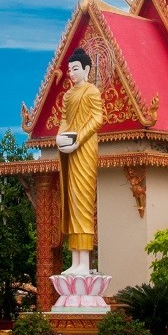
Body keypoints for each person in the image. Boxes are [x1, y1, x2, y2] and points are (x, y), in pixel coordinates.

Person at [54, 48, 104, 276]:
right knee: (72, 202)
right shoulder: (68, 95)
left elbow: (97, 119)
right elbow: (64, 120)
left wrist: (77, 139)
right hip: (69, 150)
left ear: (87, 69)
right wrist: (60, 136)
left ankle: (85, 262)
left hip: (84, 149)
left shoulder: (92, 91)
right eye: (69, 70)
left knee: (83, 202)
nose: (71, 74)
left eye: (75, 69)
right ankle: (76, 260)